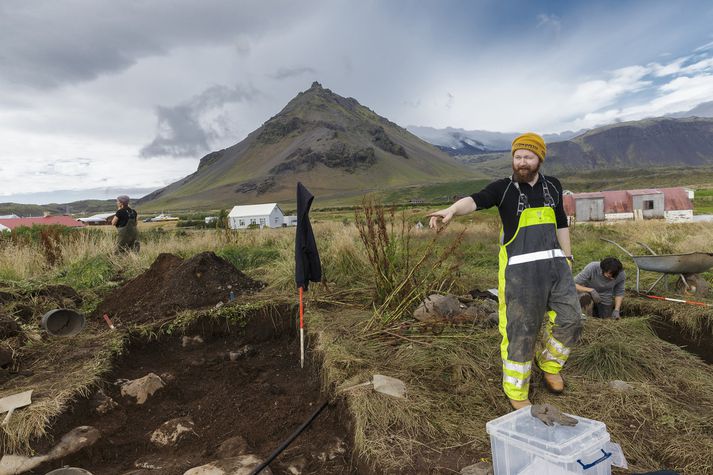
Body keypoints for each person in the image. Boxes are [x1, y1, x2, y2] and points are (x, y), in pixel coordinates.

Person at [428, 132, 582, 410]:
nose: (522, 162)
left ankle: (549, 364)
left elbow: (561, 224)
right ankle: (516, 390)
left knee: (571, 319)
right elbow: (475, 200)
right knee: (520, 329)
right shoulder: (504, 189)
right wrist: (451, 209)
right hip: (520, 275)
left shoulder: (554, 187)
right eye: (517, 156)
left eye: (528, 156)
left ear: (539, 159)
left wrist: (568, 257)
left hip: (556, 267)